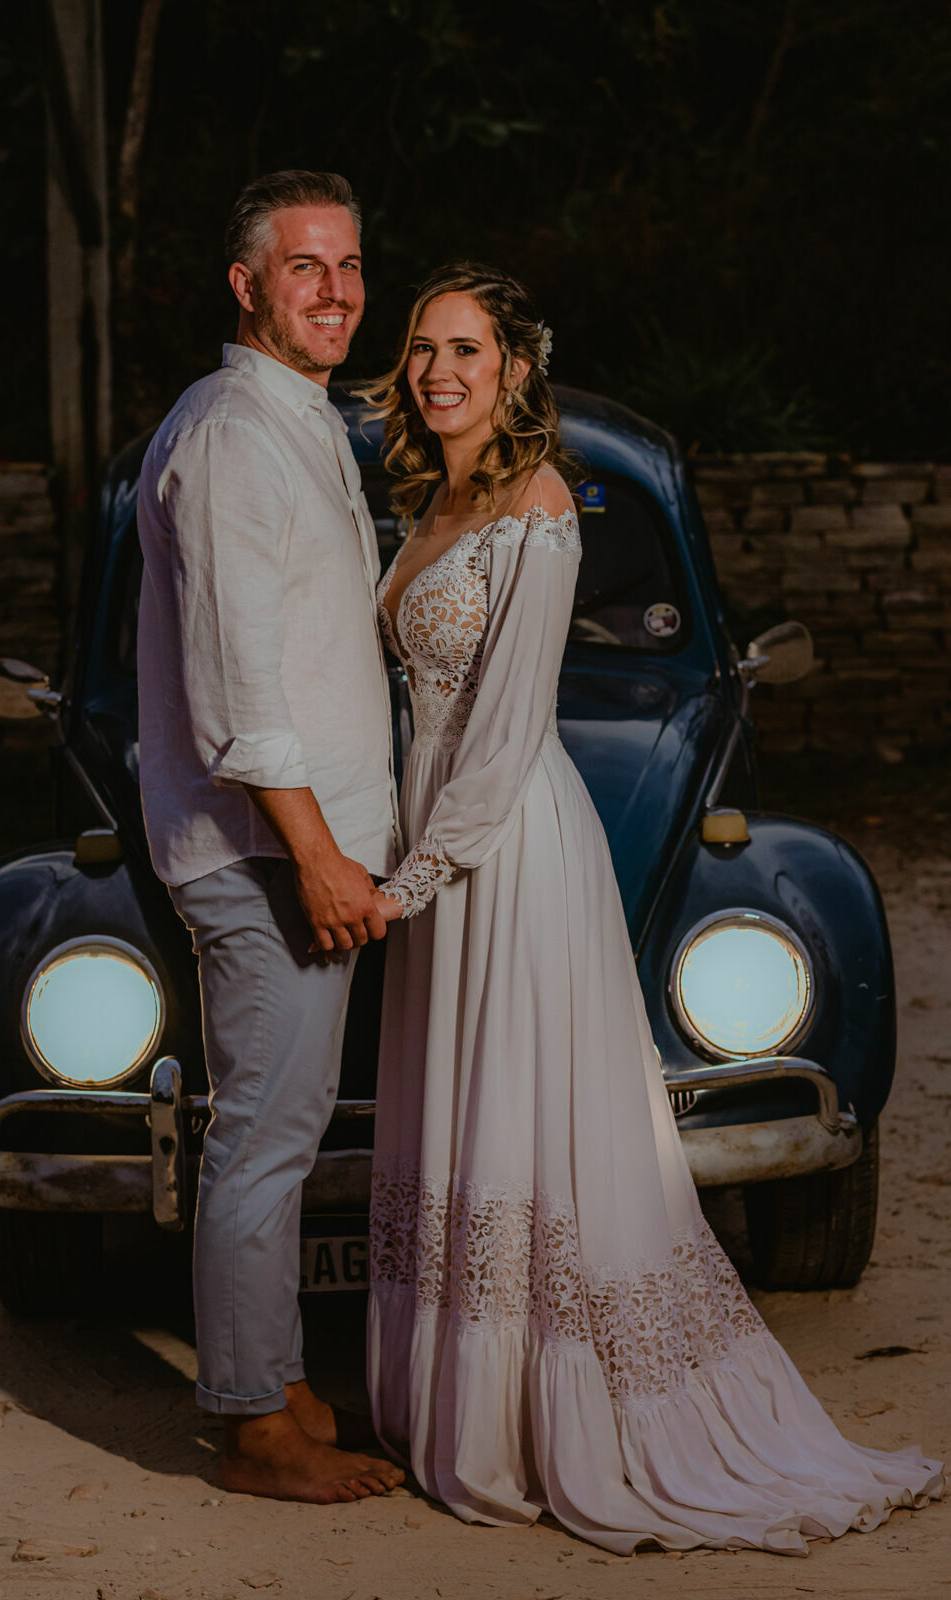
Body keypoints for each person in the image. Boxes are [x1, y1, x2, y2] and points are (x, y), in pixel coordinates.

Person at [363, 262, 943, 1553]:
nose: (440, 372)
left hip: (505, 848)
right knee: (466, 1111)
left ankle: (543, 1420)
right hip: (441, 843)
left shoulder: (538, 506)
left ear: (516, 369)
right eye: (422, 349)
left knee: (523, 1112)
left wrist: (409, 880)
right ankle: (463, 1411)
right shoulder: (432, 501)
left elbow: (508, 727)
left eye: (466, 350)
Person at [136, 170, 405, 1504]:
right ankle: (254, 1427)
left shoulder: (298, 418)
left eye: (349, 265)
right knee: (262, 1142)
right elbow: (239, 695)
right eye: (305, 266)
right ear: (247, 285)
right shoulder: (234, 438)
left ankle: (278, 1375)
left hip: (293, 852)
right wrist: (318, 856)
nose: (336, 290)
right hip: (265, 859)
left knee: (283, 1131)